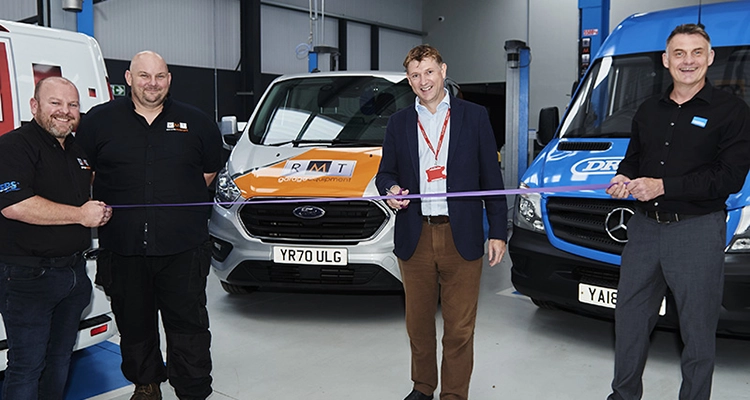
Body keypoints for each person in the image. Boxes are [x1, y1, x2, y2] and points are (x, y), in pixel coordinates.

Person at [606, 24, 750, 400]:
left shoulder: (732, 111)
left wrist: (663, 186)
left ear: (710, 58)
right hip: (643, 231)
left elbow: (728, 178)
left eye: (697, 52)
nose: (688, 61)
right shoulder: (648, 109)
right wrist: (625, 176)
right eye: (680, 54)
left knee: (697, 330)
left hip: (697, 231)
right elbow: (634, 158)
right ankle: (622, 396)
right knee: (630, 320)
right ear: (666, 60)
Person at [76, 51, 223, 400]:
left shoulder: (198, 121)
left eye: (159, 76)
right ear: (128, 78)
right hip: (123, 247)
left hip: (183, 247)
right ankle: (146, 384)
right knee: (134, 323)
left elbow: (208, 171)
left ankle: (192, 389)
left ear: (169, 79)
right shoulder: (99, 121)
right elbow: (87, 173)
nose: (151, 84)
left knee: (188, 325)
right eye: (144, 76)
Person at [376, 44, 507, 400]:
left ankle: (453, 393)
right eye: (415, 75)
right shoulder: (399, 122)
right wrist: (390, 188)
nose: (423, 81)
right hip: (415, 236)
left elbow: (491, 177)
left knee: (460, 327)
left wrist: (498, 231)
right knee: (417, 324)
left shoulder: (474, 116)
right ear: (408, 80)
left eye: (429, 72)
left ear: (443, 71)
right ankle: (423, 386)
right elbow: (384, 172)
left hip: (460, 235)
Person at [0, 76, 112, 399]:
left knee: (60, 361)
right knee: (27, 366)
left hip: (73, 276)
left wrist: (97, 213)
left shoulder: (78, 153)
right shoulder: (13, 147)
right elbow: (14, 205)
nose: (65, 111)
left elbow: (75, 204)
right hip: (27, 279)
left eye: (72, 105)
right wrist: (80, 215)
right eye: (55, 103)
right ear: (35, 106)